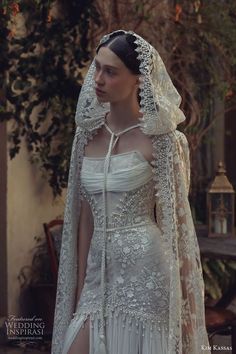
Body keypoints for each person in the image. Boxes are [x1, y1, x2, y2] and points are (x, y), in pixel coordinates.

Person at [51, 30, 210, 354]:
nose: (98, 79)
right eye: (97, 67)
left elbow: (179, 230)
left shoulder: (164, 141)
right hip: (98, 282)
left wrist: (188, 313)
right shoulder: (85, 138)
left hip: (148, 280)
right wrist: (82, 291)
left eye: (110, 72)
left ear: (139, 79)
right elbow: (85, 224)